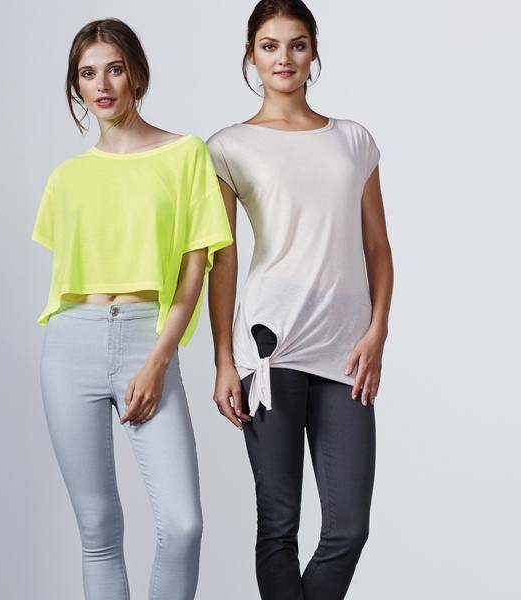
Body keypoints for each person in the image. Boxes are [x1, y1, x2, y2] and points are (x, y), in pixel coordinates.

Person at [31, 18, 233, 600]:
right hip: (71, 345)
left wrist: (159, 359)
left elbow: (195, 269)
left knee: (183, 525)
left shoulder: (186, 154)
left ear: (137, 75)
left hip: (148, 338)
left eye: (114, 69)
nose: (102, 85)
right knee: (98, 529)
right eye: (87, 74)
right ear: (76, 86)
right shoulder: (67, 178)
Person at [207, 1, 393, 598]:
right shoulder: (228, 147)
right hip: (270, 346)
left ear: (313, 51)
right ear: (250, 56)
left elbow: (376, 246)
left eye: (296, 44)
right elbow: (223, 259)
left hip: (346, 350)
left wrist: (377, 332)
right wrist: (223, 361)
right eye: (269, 46)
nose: (283, 58)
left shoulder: (353, 140)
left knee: (348, 528)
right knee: (279, 526)